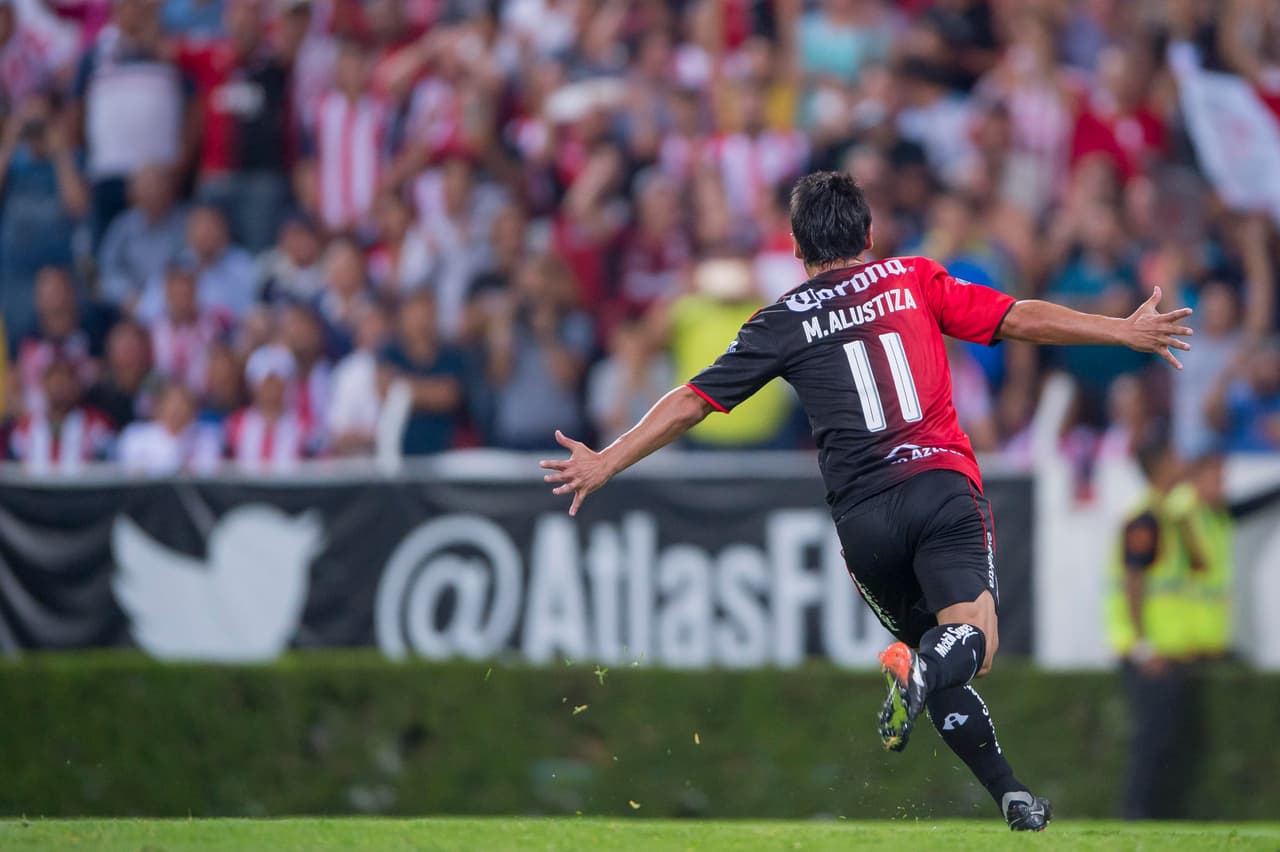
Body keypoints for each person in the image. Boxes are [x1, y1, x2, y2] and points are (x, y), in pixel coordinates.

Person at [540, 171, 1194, 831]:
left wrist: (605, 460)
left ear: (797, 250)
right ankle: (931, 685)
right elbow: (1015, 316)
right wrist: (1122, 331)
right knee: (972, 642)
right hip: (938, 486)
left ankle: (1009, 794)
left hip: (865, 524)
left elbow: (692, 401)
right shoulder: (911, 278)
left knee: (934, 658)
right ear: (869, 234)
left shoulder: (782, 319)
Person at [1105, 436, 1211, 819]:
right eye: (1175, 456)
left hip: (1167, 651)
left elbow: (1197, 569)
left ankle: (1155, 816)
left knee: (1166, 740)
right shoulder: (1145, 519)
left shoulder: (1167, 515)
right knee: (1151, 741)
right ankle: (1135, 815)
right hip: (1149, 654)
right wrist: (1143, 645)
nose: (1181, 464)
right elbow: (1135, 583)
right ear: (1160, 465)